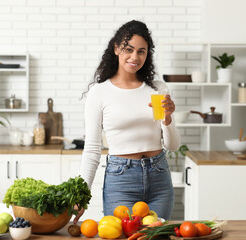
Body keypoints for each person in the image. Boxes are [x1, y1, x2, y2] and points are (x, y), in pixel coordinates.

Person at [74, 20, 180, 224]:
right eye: (128, 49)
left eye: (142, 51)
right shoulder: (100, 93)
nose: (134, 57)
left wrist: (168, 119)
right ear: (116, 48)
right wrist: (81, 195)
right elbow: (92, 149)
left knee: (156, 237)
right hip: (120, 180)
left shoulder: (157, 88)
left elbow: (172, 146)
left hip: (159, 177)